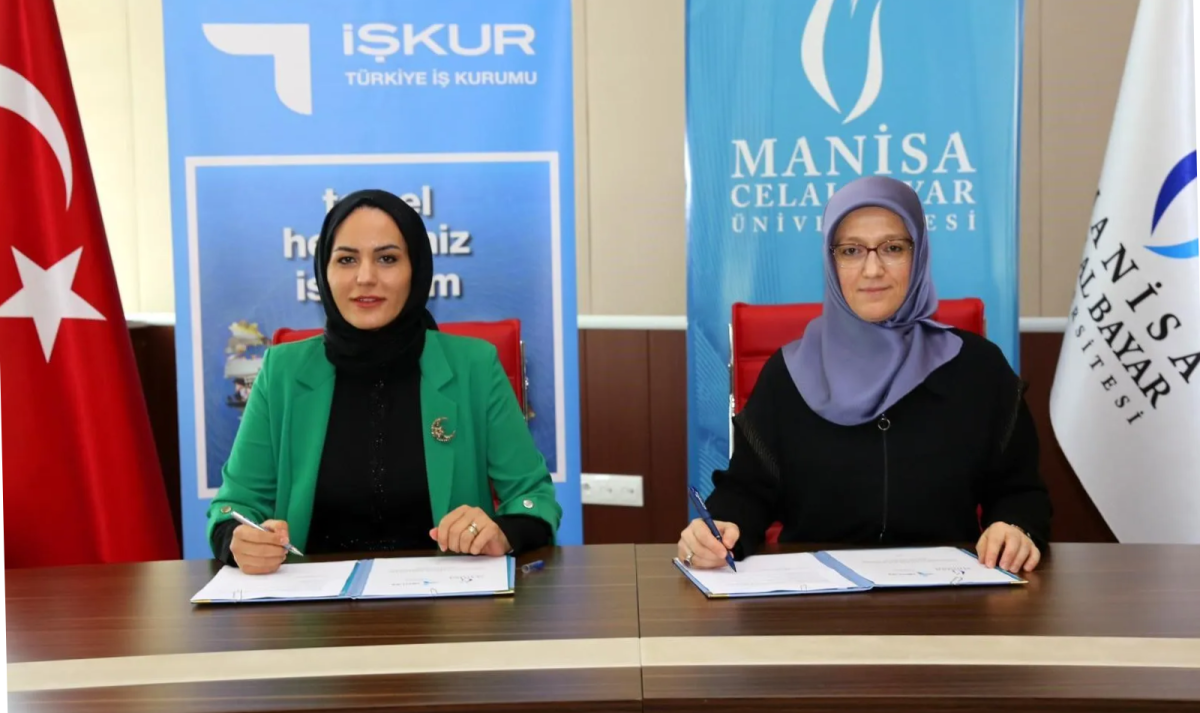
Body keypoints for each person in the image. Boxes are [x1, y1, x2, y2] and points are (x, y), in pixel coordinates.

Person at [679, 176, 1051, 574]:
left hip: (949, 598)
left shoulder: (978, 368)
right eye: (852, 251)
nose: (872, 269)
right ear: (831, 261)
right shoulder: (787, 374)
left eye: (893, 248)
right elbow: (746, 493)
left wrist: (1015, 527)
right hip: (814, 599)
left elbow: (1021, 492)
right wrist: (718, 530)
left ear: (919, 254)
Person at [208, 189, 561, 574]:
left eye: (387, 258)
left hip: (448, 601)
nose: (365, 277)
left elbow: (533, 496)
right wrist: (241, 540)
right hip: (313, 603)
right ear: (324, 272)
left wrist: (501, 533)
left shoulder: (474, 366)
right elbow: (234, 505)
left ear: (416, 269)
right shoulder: (283, 371)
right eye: (346, 259)